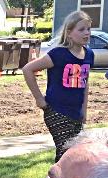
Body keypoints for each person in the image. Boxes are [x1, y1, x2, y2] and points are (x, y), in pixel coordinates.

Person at [23, 11, 94, 162]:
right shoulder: (58, 54)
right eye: (81, 29)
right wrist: (39, 99)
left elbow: (85, 83)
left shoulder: (89, 55)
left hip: (76, 112)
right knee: (66, 154)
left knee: (74, 154)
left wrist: (84, 110)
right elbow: (28, 69)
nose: (87, 33)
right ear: (69, 33)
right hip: (56, 111)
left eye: (88, 29)